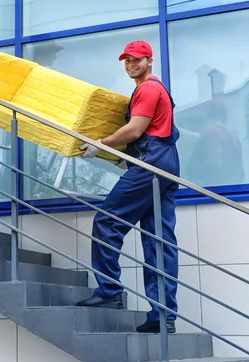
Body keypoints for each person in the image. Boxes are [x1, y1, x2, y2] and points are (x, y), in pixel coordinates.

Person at [77, 40, 180, 334]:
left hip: (151, 163)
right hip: (165, 162)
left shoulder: (147, 89)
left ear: (149, 60)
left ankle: (109, 291)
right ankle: (164, 316)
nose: (131, 64)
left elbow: (135, 129)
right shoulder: (158, 89)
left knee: (107, 221)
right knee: (158, 239)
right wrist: (129, 157)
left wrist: (102, 144)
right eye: (127, 60)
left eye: (136, 60)